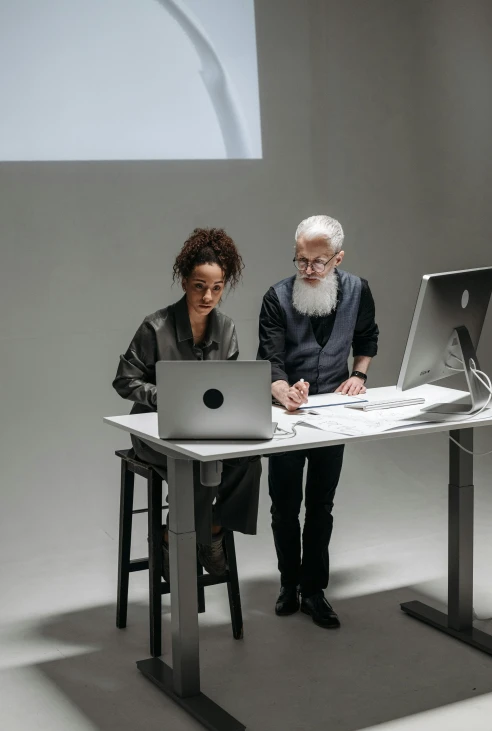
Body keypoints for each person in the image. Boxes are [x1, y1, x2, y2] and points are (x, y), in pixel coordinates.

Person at [113, 228, 262, 579]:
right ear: (184, 282)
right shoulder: (156, 327)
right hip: (155, 431)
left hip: (207, 430)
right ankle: (175, 536)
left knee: (249, 461)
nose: (208, 295)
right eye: (199, 285)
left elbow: (231, 389)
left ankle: (209, 530)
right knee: (198, 465)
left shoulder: (226, 329)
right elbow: (124, 380)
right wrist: (164, 396)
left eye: (217, 287)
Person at [257, 215, 379, 628]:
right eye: (301, 261)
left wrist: (358, 376)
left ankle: (314, 590)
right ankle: (288, 584)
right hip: (286, 414)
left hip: (333, 414)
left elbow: (367, 339)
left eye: (318, 262)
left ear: (337, 259)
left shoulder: (358, 291)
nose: (308, 271)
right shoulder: (276, 297)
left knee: (321, 506)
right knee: (284, 507)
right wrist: (283, 391)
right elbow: (270, 361)